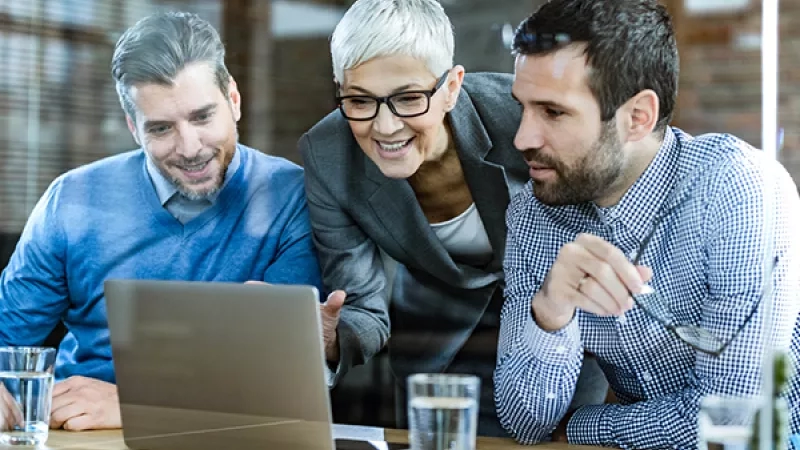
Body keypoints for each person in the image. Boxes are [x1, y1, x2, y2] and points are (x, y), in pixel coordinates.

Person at [494, 0, 800, 448]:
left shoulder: (740, 188)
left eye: (553, 112)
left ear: (637, 117)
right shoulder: (533, 215)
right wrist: (551, 311)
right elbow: (525, 424)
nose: (522, 138)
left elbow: (733, 417)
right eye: (522, 107)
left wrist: (582, 428)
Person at [298, 0, 608, 437]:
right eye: (360, 100)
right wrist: (330, 339)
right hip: (440, 341)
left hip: (555, 327)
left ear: (451, 87)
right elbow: (363, 307)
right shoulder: (328, 155)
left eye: (408, 98)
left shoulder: (517, 113)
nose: (385, 127)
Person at [0, 11, 323, 432]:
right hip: (74, 434)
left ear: (234, 101)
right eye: (161, 128)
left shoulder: (293, 199)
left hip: (227, 433)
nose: (189, 148)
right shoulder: (71, 200)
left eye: (203, 116)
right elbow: (7, 335)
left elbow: (285, 377)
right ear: (134, 128)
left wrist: (137, 405)